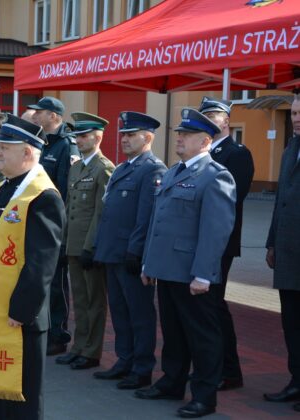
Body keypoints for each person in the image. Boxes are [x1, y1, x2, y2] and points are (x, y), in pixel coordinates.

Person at [0, 114, 66, 420]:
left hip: (16, 316)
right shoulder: (5, 188)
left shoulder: (42, 197)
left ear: (28, 152)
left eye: (4, 147)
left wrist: (20, 310)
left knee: (23, 404)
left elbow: (41, 264)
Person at [136, 108, 236, 419]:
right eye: (179, 133)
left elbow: (215, 232)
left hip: (193, 273)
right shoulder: (173, 172)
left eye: (186, 134)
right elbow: (158, 224)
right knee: (174, 331)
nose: (179, 138)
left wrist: (204, 275)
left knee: (202, 337)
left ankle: (204, 397)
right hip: (166, 269)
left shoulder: (216, 175)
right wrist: (148, 265)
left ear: (205, 140)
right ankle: (172, 381)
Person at [93, 112, 167, 390]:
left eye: (130, 134)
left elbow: (146, 216)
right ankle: (125, 360)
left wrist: (136, 252)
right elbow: (110, 212)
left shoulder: (153, 170)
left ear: (147, 138)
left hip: (130, 256)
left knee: (140, 314)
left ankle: (142, 367)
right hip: (113, 253)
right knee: (120, 312)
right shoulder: (124, 168)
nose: (123, 139)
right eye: (123, 134)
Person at [199, 96, 254, 391]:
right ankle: (211, 364)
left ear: (226, 120)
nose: (209, 119)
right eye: (205, 114)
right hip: (199, 239)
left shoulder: (237, 154)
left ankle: (229, 370)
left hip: (221, 241)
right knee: (205, 305)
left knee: (214, 304)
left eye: (214, 114)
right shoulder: (204, 153)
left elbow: (231, 199)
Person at [56, 112, 114, 371]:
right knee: (79, 299)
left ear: (98, 137)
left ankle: (92, 351)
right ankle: (79, 346)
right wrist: (64, 240)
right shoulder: (77, 167)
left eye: (83, 135)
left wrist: (91, 246)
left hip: (89, 246)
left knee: (94, 301)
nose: (78, 140)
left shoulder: (104, 168)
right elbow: (69, 207)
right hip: (73, 245)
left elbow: (101, 213)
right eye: (77, 136)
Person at [29, 96, 79, 355]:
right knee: (40, 280)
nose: (35, 116)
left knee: (57, 283)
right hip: (35, 221)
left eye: (41, 112)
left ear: (54, 116)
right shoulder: (42, 142)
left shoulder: (66, 146)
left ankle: (58, 334)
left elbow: (65, 192)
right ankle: (43, 328)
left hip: (54, 224)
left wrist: (60, 228)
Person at [263, 96, 300, 413]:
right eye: (294, 113)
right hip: (288, 253)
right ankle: (295, 381)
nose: (297, 118)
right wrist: (271, 243)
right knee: (291, 322)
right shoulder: (290, 149)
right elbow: (280, 203)